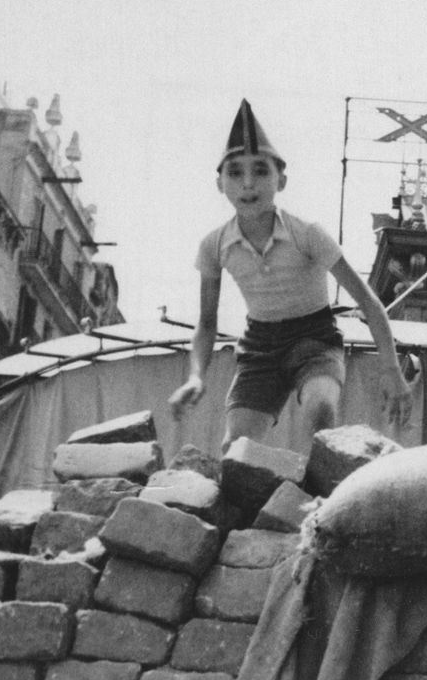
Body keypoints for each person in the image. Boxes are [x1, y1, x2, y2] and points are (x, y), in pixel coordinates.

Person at [169, 99, 413, 451]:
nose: (248, 183)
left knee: (321, 409)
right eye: (235, 172)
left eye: (261, 171)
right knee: (235, 447)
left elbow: (368, 302)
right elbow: (207, 323)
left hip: (314, 338)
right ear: (219, 183)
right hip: (259, 348)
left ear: (281, 179)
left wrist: (392, 370)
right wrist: (195, 377)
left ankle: (322, 496)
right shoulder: (215, 245)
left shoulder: (306, 233)